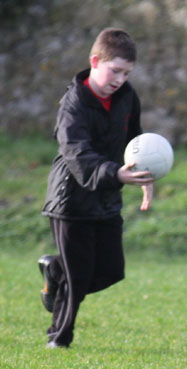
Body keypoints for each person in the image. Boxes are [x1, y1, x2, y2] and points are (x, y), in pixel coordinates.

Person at [38, 28, 154, 348]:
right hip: (70, 198)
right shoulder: (73, 103)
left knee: (111, 270)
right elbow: (76, 153)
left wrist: (146, 176)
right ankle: (58, 338)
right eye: (115, 70)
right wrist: (115, 173)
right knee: (78, 278)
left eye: (126, 72)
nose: (120, 79)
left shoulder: (128, 96)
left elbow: (135, 142)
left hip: (106, 196)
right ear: (94, 62)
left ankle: (54, 270)